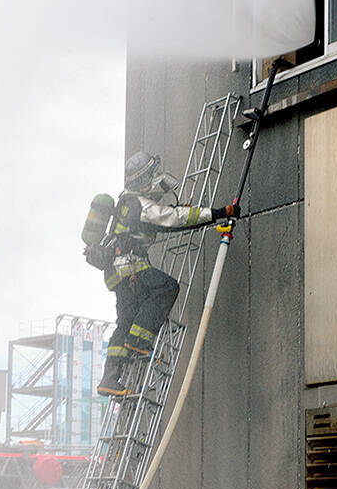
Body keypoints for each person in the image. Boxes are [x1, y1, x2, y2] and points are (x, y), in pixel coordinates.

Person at [91, 151, 239, 396]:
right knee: (167, 287)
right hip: (131, 267)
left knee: (124, 321)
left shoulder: (125, 202)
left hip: (115, 273)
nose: (155, 177)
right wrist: (217, 213)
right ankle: (138, 341)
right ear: (143, 179)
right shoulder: (141, 205)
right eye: (151, 174)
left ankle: (109, 378)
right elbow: (173, 218)